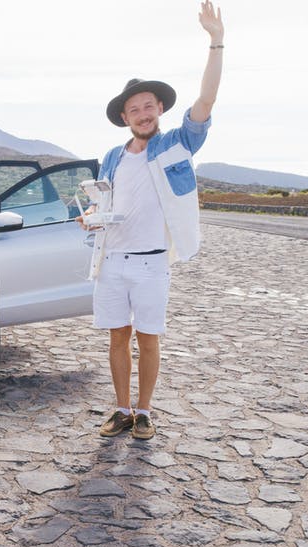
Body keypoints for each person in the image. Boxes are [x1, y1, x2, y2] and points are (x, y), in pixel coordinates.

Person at [81, 1, 224, 440]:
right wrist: (89, 217)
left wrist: (216, 41)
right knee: (117, 339)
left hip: (151, 263)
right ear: (124, 118)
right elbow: (100, 203)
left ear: (158, 108)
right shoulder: (110, 157)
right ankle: (121, 408)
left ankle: (144, 411)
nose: (142, 114)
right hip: (113, 261)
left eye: (148, 106)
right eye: (134, 110)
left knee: (149, 338)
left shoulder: (178, 145)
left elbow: (206, 99)